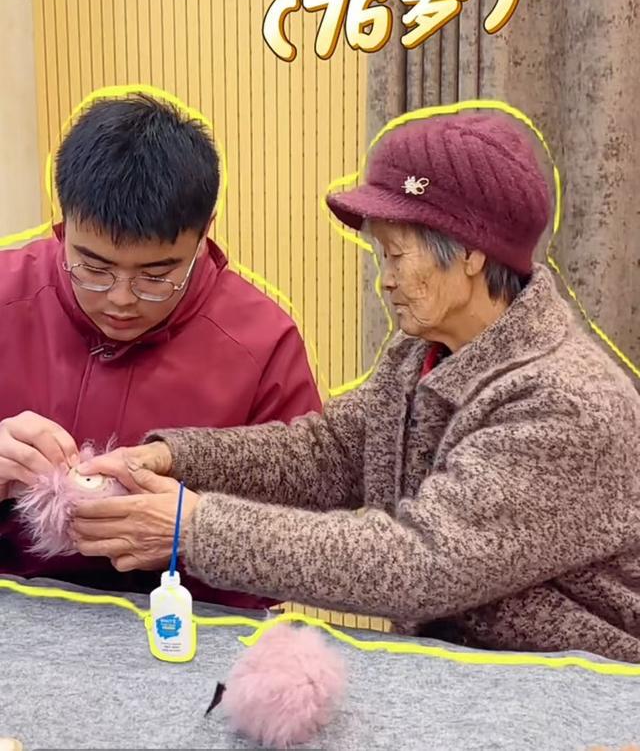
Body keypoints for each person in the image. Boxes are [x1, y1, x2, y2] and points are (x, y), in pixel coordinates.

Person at [72, 111, 640, 662]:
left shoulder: (565, 402)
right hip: (460, 672)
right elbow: (329, 454)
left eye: (395, 255)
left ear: (471, 253)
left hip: (580, 689)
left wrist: (195, 529)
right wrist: (174, 458)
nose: (384, 281)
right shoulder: (421, 353)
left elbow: (422, 563)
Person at [0, 93, 322, 606]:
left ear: (204, 235)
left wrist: (194, 534)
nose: (121, 299)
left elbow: (305, 535)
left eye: (156, 275)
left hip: (190, 626)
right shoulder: (7, 293)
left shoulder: (262, 343)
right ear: (63, 222)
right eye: (93, 267)